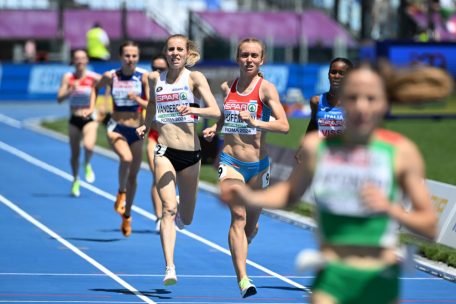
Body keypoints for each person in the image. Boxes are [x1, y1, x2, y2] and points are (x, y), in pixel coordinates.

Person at [221, 64, 438, 304]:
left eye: (371, 98)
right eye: (353, 98)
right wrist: (248, 198)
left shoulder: (400, 152)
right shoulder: (318, 148)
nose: (361, 106)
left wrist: (391, 209)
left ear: (383, 104)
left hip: (379, 277)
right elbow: (289, 194)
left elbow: (429, 226)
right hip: (331, 278)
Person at [203, 37, 289, 298]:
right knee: (238, 216)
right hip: (230, 162)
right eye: (244, 55)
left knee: (250, 226)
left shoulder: (266, 89)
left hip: (259, 167)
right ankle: (243, 279)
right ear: (237, 58)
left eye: (254, 55)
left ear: (261, 60)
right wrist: (214, 128)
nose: (249, 60)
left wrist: (256, 121)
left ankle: (246, 237)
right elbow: (225, 114)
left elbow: (284, 125)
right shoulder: (228, 86)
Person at [136, 34, 221, 285]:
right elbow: (152, 104)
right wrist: (145, 124)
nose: (174, 53)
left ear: (186, 53)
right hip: (164, 150)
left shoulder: (194, 78)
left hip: (190, 155)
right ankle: (170, 267)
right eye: (170, 49)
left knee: (188, 218)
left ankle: (181, 212)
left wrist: (193, 109)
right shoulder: (155, 78)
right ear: (165, 52)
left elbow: (215, 111)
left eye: (179, 49)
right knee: (168, 209)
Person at [90, 41, 149, 237]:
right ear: (120, 57)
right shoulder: (111, 76)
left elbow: (150, 103)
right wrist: (92, 109)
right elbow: (94, 88)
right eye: (127, 55)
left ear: (138, 58)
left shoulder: (143, 77)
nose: (130, 59)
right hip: (116, 127)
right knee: (126, 159)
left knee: (134, 177)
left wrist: (137, 99)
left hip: (137, 129)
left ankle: (127, 215)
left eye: (134, 56)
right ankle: (121, 191)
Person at [57, 49, 101, 197]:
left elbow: (109, 88)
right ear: (73, 61)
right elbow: (59, 98)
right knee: (74, 154)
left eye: (83, 58)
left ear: (87, 60)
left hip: (89, 118)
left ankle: (87, 163)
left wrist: (102, 109)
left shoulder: (94, 77)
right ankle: (75, 179)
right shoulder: (68, 77)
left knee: (88, 146)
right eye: (77, 58)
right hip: (74, 119)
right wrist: (70, 89)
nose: (80, 61)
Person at [147, 54, 168, 232]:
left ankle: (171, 206)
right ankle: (159, 216)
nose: (158, 71)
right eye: (155, 67)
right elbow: (146, 104)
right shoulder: (148, 82)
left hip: (173, 139)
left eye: (161, 68)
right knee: (157, 176)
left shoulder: (175, 84)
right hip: (154, 136)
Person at [306, 57, 353, 137]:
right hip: (323, 149)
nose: (336, 76)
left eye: (342, 73)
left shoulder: (354, 104)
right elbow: (312, 128)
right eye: (333, 72)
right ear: (328, 75)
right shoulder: (316, 101)